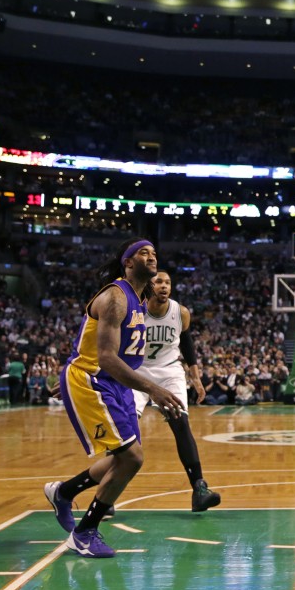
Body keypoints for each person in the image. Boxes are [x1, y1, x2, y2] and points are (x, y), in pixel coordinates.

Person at [43, 238, 185, 559]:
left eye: (154, 253)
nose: (151, 257)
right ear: (129, 263)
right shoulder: (115, 297)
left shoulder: (139, 298)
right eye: (143, 253)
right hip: (95, 379)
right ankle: (84, 533)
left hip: (115, 384)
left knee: (123, 458)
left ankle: (63, 492)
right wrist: (154, 388)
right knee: (132, 457)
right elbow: (105, 357)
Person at [132, 271, 221, 513]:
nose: (164, 286)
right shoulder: (135, 311)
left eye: (167, 282)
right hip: (137, 370)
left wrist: (196, 378)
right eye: (159, 281)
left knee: (180, 422)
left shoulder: (180, 312)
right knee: (126, 429)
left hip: (169, 371)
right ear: (149, 286)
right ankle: (107, 494)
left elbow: (187, 345)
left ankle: (199, 488)